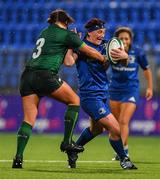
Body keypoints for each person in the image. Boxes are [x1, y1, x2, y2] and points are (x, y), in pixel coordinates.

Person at [12, 9, 108, 169]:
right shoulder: (67, 34)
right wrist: (102, 58)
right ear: (66, 22)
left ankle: (18, 158)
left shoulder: (44, 32)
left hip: (27, 76)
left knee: (28, 119)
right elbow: (88, 51)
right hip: (45, 75)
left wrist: (71, 45)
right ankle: (66, 142)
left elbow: (68, 60)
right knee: (74, 101)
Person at [63, 18, 137, 170]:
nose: (102, 35)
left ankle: (74, 148)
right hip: (89, 96)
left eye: (103, 32)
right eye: (98, 32)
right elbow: (69, 62)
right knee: (116, 129)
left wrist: (125, 57)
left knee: (97, 129)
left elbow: (123, 61)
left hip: (103, 93)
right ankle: (124, 159)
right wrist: (70, 45)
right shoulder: (81, 46)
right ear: (89, 33)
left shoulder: (107, 45)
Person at [109, 27, 153, 160]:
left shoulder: (138, 52)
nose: (124, 41)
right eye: (121, 38)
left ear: (131, 40)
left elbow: (146, 70)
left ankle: (124, 152)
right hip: (114, 89)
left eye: (126, 38)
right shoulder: (111, 52)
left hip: (131, 89)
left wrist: (150, 87)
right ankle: (121, 151)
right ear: (117, 40)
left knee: (123, 121)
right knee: (116, 124)